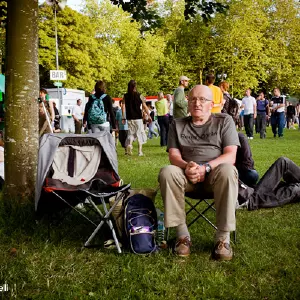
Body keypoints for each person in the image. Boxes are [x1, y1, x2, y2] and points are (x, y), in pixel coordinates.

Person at [159, 85, 240, 261]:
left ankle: (223, 239)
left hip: (215, 177)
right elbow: (173, 155)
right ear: (187, 103)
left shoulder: (224, 121)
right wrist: (187, 166)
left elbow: (231, 155)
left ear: (211, 104)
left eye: (203, 99)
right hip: (186, 177)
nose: (197, 103)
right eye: (193, 99)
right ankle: (182, 236)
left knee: (228, 170)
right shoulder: (177, 124)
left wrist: (206, 168)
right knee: (167, 171)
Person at [122, 80, 151, 156]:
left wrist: (123, 117)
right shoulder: (139, 95)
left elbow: (123, 106)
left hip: (129, 118)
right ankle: (139, 152)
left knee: (131, 133)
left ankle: (129, 145)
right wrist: (149, 115)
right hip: (138, 117)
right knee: (139, 133)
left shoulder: (125, 96)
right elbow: (144, 106)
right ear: (135, 86)